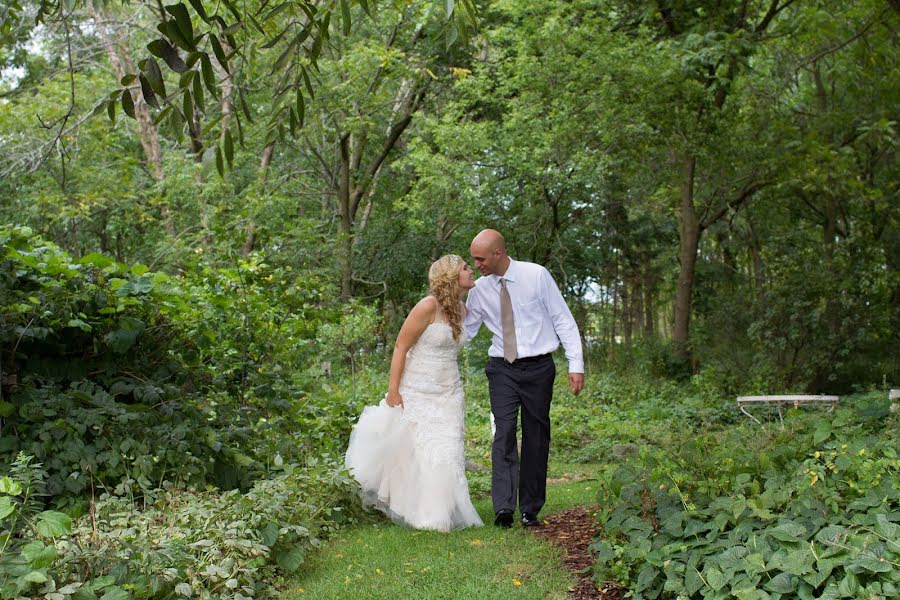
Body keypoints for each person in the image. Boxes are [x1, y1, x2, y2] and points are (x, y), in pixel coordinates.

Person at [344, 255, 484, 531]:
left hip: (449, 391)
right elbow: (400, 347)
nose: (472, 270)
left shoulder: (462, 310)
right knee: (419, 450)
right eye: (466, 268)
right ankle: (422, 510)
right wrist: (393, 390)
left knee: (448, 447)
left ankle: (439, 511)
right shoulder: (427, 306)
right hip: (418, 388)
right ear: (452, 276)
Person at [464, 230, 584, 528]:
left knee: (536, 434)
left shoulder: (537, 275)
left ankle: (530, 508)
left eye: (480, 258)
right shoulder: (478, 290)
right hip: (502, 367)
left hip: (539, 368)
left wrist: (576, 363)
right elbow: (466, 331)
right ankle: (503, 508)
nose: (476, 264)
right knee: (503, 431)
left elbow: (562, 319)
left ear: (498, 253)